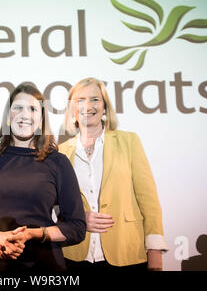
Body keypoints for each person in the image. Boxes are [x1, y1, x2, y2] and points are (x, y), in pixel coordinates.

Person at [0, 83, 86, 272]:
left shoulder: (58, 162)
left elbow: (76, 227)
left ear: (41, 117)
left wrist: (32, 234)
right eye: (18, 108)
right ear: (8, 115)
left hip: (44, 267)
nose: (25, 114)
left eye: (33, 109)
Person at [59, 77, 168, 271]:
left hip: (127, 255)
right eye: (80, 100)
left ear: (105, 108)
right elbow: (57, 206)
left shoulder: (129, 142)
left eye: (95, 99)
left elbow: (148, 199)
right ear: (72, 110)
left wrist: (155, 251)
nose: (88, 105)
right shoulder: (60, 152)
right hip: (75, 257)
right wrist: (78, 218)